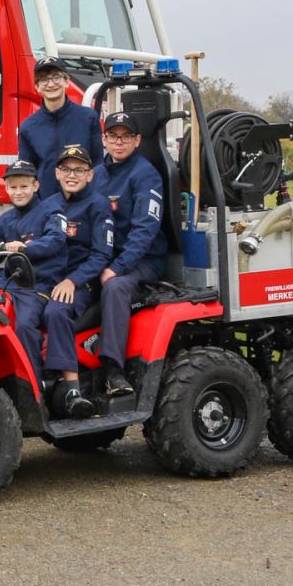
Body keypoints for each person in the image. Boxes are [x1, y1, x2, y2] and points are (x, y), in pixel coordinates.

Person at [94, 111, 168, 397]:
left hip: (143, 261)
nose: (119, 142)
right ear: (104, 139)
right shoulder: (96, 174)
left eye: (126, 137)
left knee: (115, 288)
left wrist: (117, 268)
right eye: (113, 136)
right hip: (105, 257)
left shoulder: (145, 175)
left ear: (137, 141)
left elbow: (145, 231)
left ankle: (113, 371)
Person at [42, 144, 114, 418]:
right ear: (57, 173)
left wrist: (72, 281)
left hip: (81, 283)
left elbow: (101, 254)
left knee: (56, 311)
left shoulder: (98, 205)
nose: (72, 175)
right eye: (66, 169)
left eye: (79, 170)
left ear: (90, 175)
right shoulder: (47, 205)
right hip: (47, 279)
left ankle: (72, 390)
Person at [0, 160, 68, 381]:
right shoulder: (5, 219)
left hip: (38, 286)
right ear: (6, 189)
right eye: (13, 187)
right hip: (6, 285)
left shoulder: (52, 211)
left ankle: (33, 383)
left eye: (24, 186)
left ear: (36, 186)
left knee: (24, 325)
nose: (18, 192)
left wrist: (26, 248)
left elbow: (56, 239)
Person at [18, 58, 103, 200]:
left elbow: (98, 164)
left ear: (67, 81)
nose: (51, 84)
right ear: (37, 87)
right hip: (47, 204)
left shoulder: (88, 118)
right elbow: (27, 173)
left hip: (84, 203)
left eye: (56, 77)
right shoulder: (28, 127)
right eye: (44, 79)